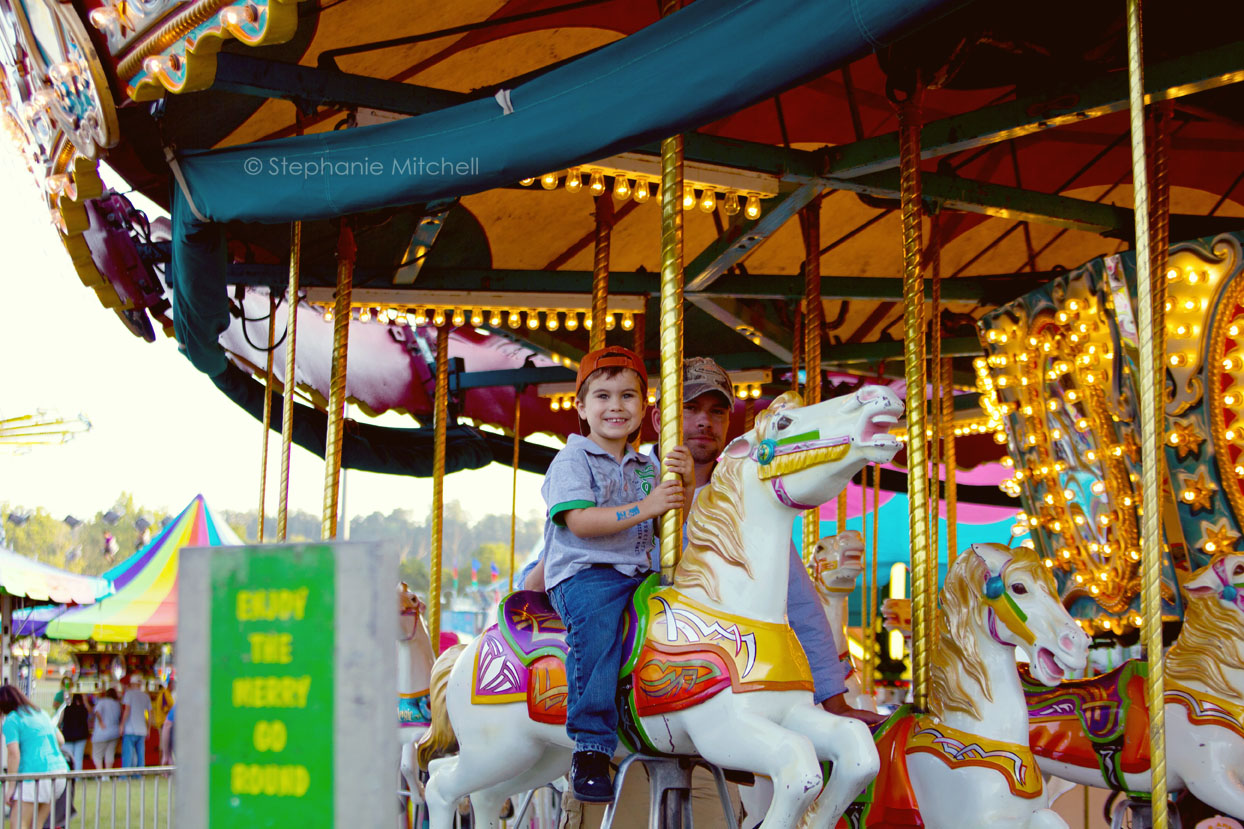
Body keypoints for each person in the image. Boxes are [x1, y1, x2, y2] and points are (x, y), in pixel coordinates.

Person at [524, 357, 882, 725]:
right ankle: (589, 736)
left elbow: (801, 601)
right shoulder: (623, 481)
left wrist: (833, 699)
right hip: (636, 693)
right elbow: (564, 552)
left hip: (712, 695)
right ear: (661, 420)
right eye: (690, 408)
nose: (704, 422)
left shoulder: (746, 507)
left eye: (717, 412)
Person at [541, 346, 693, 802]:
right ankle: (589, 746)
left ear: (645, 409)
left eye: (628, 396)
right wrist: (648, 505)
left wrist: (680, 488)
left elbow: (667, 531)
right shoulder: (573, 461)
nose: (615, 406)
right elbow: (582, 523)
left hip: (639, 574)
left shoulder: (650, 466)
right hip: (586, 576)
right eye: (602, 396)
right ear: (581, 407)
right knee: (600, 627)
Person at [0, 684, 68, 829]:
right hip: (59, 773)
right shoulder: (40, 713)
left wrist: (11, 787)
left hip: (34, 775)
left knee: (18, 823)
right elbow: (60, 740)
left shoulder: (12, 720)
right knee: (35, 824)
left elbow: (13, 754)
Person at [119, 677, 151, 772]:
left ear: (132, 684)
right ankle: (140, 774)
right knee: (141, 755)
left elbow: (127, 710)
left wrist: (122, 725)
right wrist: (148, 728)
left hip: (130, 729)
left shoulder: (129, 694)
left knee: (128, 755)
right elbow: (150, 714)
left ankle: (125, 775)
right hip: (142, 730)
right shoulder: (146, 696)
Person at [90, 688, 121, 771]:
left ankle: (100, 773)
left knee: (97, 755)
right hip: (114, 732)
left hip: (101, 733)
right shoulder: (117, 704)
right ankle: (107, 774)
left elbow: (96, 711)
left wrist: (100, 721)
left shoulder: (101, 702)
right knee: (110, 754)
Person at [58, 694, 90, 771]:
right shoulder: (83, 709)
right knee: (78, 758)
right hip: (81, 736)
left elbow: (59, 722)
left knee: (67, 757)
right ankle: (77, 777)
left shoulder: (66, 709)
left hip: (68, 736)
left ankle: (66, 774)